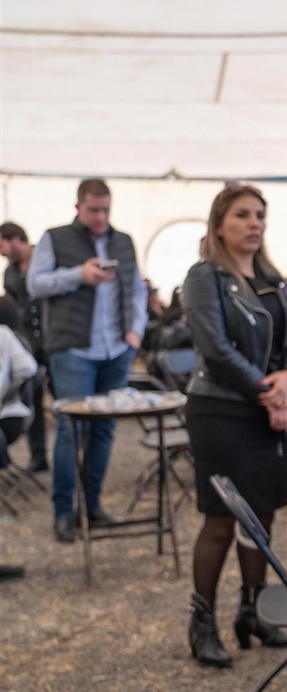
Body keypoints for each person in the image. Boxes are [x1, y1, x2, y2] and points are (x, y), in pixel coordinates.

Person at [181, 184, 287, 667]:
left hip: (266, 411)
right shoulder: (203, 275)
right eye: (242, 215)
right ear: (219, 224)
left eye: (259, 215)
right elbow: (214, 348)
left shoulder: (272, 279)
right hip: (221, 410)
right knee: (221, 519)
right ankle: (202, 622)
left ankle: (252, 613)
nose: (254, 223)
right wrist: (268, 391)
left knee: (263, 515)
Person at [27, 179, 148, 543]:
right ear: (78, 206)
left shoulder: (123, 240)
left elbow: (137, 289)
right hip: (72, 350)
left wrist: (136, 331)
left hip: (117, 349)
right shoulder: (54, 237)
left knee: (105, 429)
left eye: (105, 210)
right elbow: (35, 283)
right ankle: (64, 512)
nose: (100, 217)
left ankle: (91, 507)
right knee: (70, 429)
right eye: (93, 210)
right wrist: (78, 275)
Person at [0, 221, 49, 472]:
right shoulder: (9, 273)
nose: (1, 253)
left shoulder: (46, 258)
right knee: (32, 400)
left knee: (67, 401)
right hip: (29, 344)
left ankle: (76, 456)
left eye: (2, 246)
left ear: (16, 239)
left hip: (54, 341)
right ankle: (39, 457)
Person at [0, 296, 38, 471]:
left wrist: (8, 392)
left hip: (7, 416)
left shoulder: (3, 334)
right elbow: (29, 368)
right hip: (14, 414)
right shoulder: (7, 334)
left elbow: (29, 368)